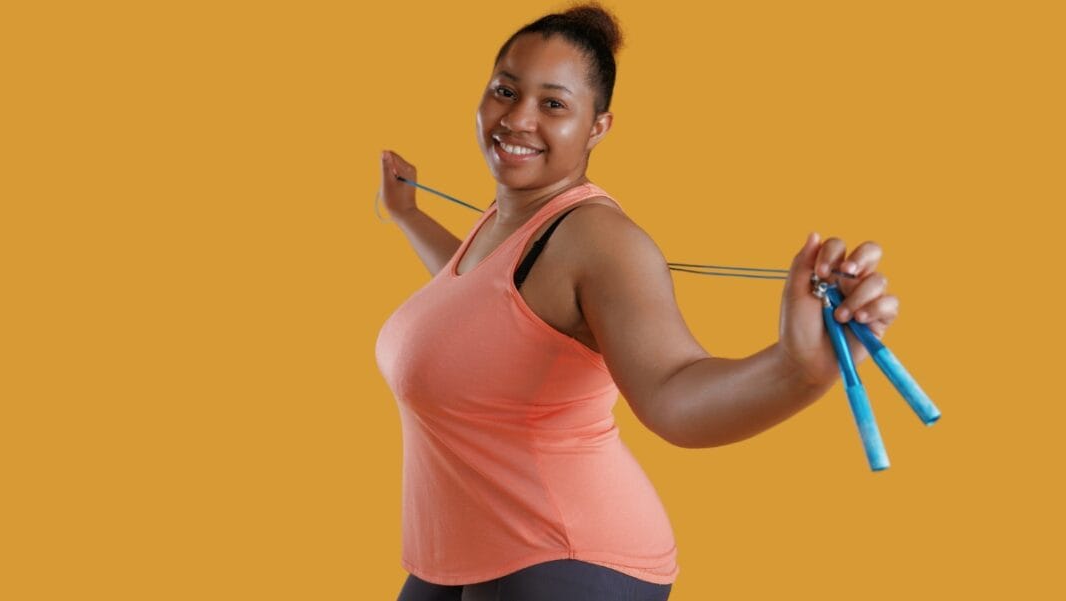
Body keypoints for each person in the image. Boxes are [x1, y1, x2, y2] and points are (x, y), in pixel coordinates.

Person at [375, 3, 899, 600]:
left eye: (553, 104)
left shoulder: (597, 239)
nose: (517, 118)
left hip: (563, 554)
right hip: (473, 548)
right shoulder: (508, 220)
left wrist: (796, 370)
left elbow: (673, 393)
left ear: (597, 127)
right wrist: (408, 215)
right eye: (505, 91)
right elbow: (479, 306)